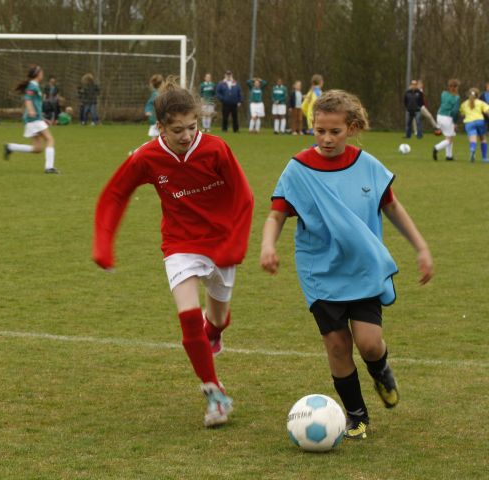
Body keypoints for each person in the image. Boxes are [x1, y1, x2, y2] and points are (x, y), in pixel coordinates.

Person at [260, 89, 433, 440]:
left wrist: (421, 247)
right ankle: (357, 417)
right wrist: (267, 245)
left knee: (369, 343)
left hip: (363, 268)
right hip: (320, 272)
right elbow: (276, 214)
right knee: (338, 345)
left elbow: (393, 208)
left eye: (334, 131)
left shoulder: (368, 166)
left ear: (351, 128)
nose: (325, 138)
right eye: (319, 130)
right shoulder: (298, 169)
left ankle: (381, 370)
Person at [93, 78, 254, 428]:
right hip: (180, 245)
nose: (186, 135)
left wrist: (235, 244)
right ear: (161, 127)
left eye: (192, 127)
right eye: (177, 129)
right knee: (187, 318)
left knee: (217, 320)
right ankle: (215, 394)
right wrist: (103, 244)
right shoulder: (147, 157)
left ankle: (214, 332)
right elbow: (114, 196)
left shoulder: (216, 149)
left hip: (222, 244)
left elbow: (244, 197)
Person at [3, 65, 58, 174]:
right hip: (33, 119)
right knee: (50, 139)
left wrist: (42, 118)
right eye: (41, 72)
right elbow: (27, 99)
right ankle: (49, 168)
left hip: (35, 119)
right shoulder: (32, 86)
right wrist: (31, 111)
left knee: (37, 149)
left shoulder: (35, 85)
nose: (43, 74)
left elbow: (36, 104)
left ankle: (10, 147)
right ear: (37, 74)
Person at [432, 79, 460, 161]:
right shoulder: (456, 98)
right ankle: (436, 148)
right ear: (456, 87)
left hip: (439, 115)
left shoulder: (443, 94)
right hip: (447, 117)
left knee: (448, 136)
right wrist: (455, 122)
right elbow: (454, 111)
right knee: (449, 139)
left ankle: (449, 156)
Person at [458, 88, 489, 163]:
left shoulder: (464, 104)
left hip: (469, 123)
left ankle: (472, 150)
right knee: (483, 139)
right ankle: (484, 158)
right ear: (478, 95)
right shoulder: (481, 102)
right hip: (480, 121)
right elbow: (487, 112)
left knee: (473, 139)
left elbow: (461, 114)